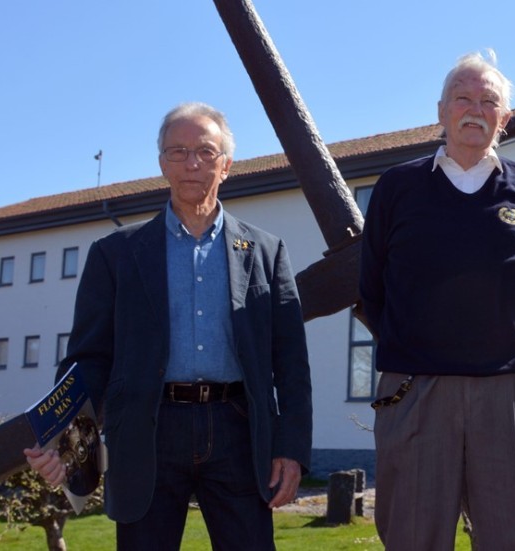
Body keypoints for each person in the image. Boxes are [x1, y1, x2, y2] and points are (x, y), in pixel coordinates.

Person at [24, 102, 313, 550]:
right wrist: (62, 439)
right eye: (177, 152)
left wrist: (291, 449)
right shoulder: (115, 254)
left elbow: (290, 361)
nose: (192, 162)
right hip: (147, 429)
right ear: (162, 164)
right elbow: (88, 359)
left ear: (227, 165)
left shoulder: (265, 251)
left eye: (205, 151)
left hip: (237, 427)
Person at [359, 50, 515, 551]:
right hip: (416, 392)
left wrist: (505, 350)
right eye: (463, 98)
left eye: (488, 100)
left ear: (505, 118)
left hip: (509, 396)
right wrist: (420, 349)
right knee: (412, 539)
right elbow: (371, 290)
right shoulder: (397, 187)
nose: (475, 108)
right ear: (441, 110)